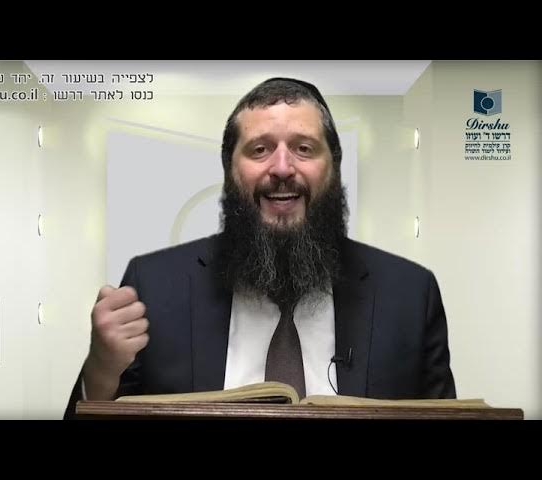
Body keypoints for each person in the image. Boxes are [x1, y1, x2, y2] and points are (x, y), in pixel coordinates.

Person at [63, 77, 456, 419]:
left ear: (333, 167)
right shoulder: (152, 286)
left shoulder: (410, 294)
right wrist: (101, 369)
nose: (282, 168)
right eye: (259, 150)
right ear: (230, 170)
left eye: (304, 148)